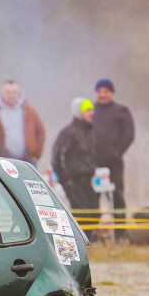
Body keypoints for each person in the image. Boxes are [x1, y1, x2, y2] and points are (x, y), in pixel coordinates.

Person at [52, 98, 98, 235]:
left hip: (88, 180)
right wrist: (66, 181)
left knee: (94, 211)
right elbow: (57, 158)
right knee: (81, 213)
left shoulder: (90, 132)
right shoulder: (68, 133)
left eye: (92, 109)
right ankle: (81, 243)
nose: (92, 113)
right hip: (74, 182)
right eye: (88, 110)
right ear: (79, 113)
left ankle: (91, 241)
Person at [91, 78, 135, 220]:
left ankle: (120, 232)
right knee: (92, 197)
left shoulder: (121, 111)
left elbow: (129, 134)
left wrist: (117, 152)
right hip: (93, 163)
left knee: (117, 196)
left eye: (106, 91)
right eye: (99, 91)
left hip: (114, 163)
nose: (102, 94)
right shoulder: (90, 112)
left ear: (112, 93)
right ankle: (91, 234)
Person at [0, 80, 45, 163]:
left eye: (14, 93)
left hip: (27, 160)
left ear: (19, 94)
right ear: (2, 94)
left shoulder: (29, 111)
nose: (11, 96)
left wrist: (36, 153)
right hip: (1, 160)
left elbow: (40, 132)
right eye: (8, 93)